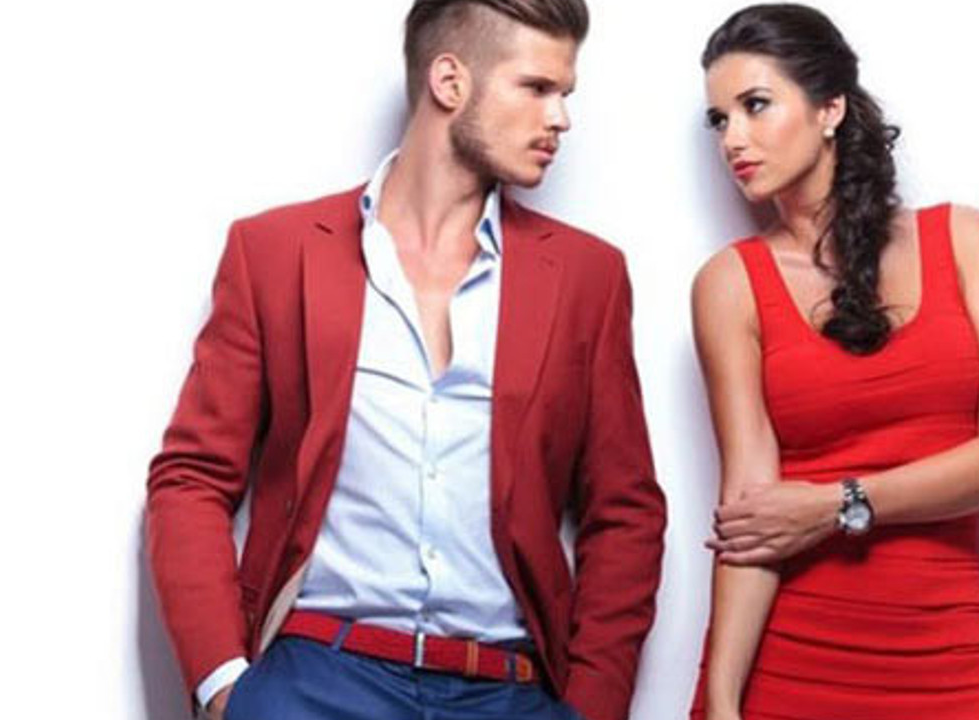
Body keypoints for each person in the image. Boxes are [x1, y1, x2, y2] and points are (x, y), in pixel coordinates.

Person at [145, 2, 666, 719]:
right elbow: (192, 475)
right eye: (537, 88)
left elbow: (625, 510)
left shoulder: (586, 276)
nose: (560, 119)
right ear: (449, 81)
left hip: (506, 690)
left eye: (565, 94)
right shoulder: (276, 252)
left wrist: (591, 707)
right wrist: (222, 685)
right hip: (316, 679)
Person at [687, 4, 979, 719]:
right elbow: (752, 514)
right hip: (790, 669)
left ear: (830, 109)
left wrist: (835, 505)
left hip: (947, 665)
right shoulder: (729, 284)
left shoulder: (965, 240)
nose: (733, 139)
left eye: (756, 105)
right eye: (719, 120)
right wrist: (721, 700)